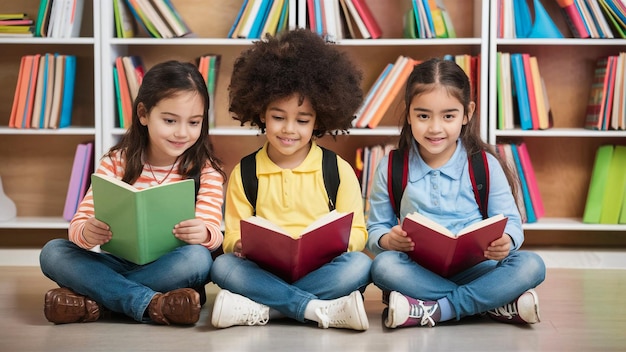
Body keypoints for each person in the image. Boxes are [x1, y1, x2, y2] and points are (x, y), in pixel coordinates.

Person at [39, 60, 226, 325]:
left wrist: (204, 233)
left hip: (171, 266)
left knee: (198, 259)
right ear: (143, 114)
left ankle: (95, 303)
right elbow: (79, 224)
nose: (182, 132)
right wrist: (87, 231)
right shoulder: (116, 162)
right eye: (170, 120)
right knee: (53, 252)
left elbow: (213, 233)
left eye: (194, 122)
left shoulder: (207, 170)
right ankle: (152, 303)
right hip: (116, 262)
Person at [209, 28, 372, 331]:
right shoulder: (245, 173)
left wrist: (336, 244)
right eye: (278, 116)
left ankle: (265, 307)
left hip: (321, 268)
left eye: (302, 120)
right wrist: (239, 244)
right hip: (265, 270)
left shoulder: (337, 170)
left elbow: (359, 232)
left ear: (319, 119)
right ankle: (315, 308)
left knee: (361, 265)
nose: (289, 130)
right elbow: (231, 235)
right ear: (260, 113)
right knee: (223, 266)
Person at [366, 58, 546, 328]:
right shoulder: (391, 166)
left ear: (467, 113)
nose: (435, 128)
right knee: (383, 268)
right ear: (408, 114)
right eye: (423, 115)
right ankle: (491, 304)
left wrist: (507, 240)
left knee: (532, 264)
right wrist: (387, 241)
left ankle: (437, 309)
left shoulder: (484, 164)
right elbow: (375, 228)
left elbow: (511, 221)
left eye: (448, 116)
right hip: (419, 271)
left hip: (478, 270)